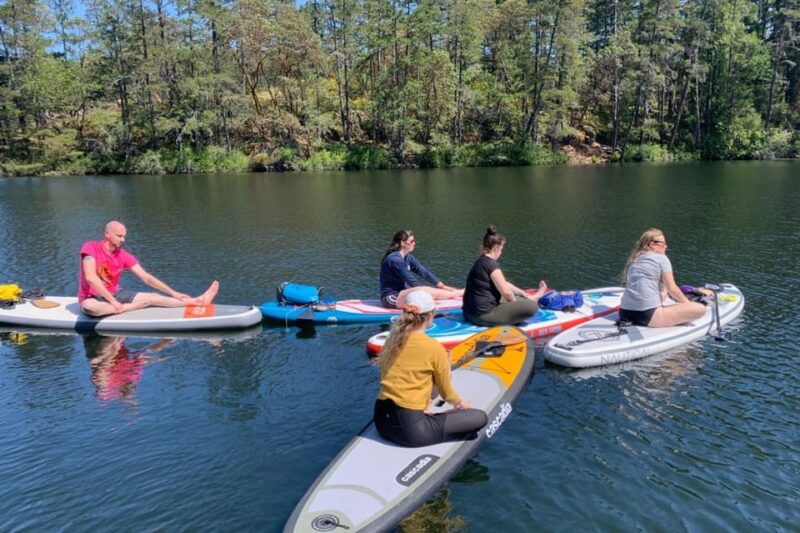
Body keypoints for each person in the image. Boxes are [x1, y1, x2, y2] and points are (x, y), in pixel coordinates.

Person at [373, 290, 487, 447]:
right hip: (410, 431)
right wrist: (460, 405)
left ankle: (425, 413)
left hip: (381, 421)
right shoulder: (433, 347)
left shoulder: (391, 340)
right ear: (431, 314)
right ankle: (433, 419)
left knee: (430, 387)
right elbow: (447, 392)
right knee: (479, 417)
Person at [79, 220, 219, 317]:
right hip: (92, 298)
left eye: (124, 236)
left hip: (115, 294)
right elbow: (91, 278)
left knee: (154, 297)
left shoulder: (122, 255)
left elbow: (146, 277)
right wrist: (114, 302)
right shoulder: (91, 247)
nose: (123, 240)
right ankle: (128, 307)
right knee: (90, 308)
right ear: (107, 234)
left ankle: (197, 301)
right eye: (119, 236)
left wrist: (173, 292)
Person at [619, 228, 706, 327]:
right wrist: (687, 304)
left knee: (664, 291)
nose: (666, 246)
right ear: (652, 245)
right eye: (663, 243)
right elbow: (672, 289)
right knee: (700, 309)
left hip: (624, 312)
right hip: (647, 316)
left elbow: (662, 290)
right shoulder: (662, 259)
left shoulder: (635, 260)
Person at [462, 225, 547, 326]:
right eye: (501, 249)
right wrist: (516, 305)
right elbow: (507, 293)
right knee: (532, 307)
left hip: (468, 313)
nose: (501, 252)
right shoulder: (491, 264)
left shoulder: (481, 261)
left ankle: (532, 297)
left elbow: (505, 284)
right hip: (481, 316)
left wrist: (523, 293)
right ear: (496, 248)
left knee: (519, 298)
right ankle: (533, 300)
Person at [379, 229, 463, 308]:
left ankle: (457, 293)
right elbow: (412, 281)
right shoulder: (394, 260)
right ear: (403, 243)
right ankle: (461, 293)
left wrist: (443, 286)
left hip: (401, 294)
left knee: (427, 290)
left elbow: (424, 272)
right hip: (390, 298)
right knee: (423, 290)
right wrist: (425, 296)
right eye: (411, 241)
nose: (414, 243)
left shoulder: (408, 257)